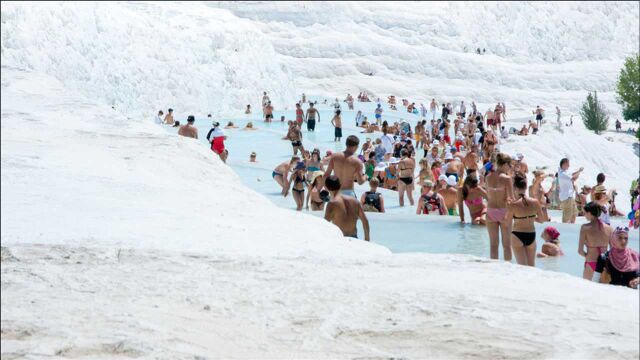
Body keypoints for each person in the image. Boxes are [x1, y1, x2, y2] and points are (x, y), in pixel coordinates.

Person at [508, 173, 545, 266]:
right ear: (525, 187)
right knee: (532, 266)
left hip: (517, 234)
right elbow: (542, 220)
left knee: (521, 267)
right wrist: (531, 218)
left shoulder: (513, 205)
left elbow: (507, 221)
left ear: (515, 187)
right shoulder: (535, 202)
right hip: (531, 235)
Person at [485, 153, 514, 261]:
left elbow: (488, 195)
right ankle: (507, 270)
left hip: (491, 210)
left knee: (493, 245)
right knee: (506, 246)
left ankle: (494, 269)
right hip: (504, 212)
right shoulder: (507, 179)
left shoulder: (488, 177)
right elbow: (511, 198)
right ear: (505, 164)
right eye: (509, 165)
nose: (510, 167)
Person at [324, 175, 370, 241]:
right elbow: (365, 221)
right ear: (340, 185)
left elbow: (325, 224)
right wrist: (367, 239)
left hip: (341, 239)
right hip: (354, 238)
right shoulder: (355, 201)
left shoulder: (332, 204)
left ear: (327, 188)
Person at [578, 202, 613, 280]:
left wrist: (587, 256)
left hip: (591, 262)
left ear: (590, 213)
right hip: (605, 264)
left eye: (585, 213)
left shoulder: (584, 228)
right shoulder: (609, 228)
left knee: (587, 289)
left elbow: (580, 251)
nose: (584, 215)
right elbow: (613, 250)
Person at [558, 158, 584, 223]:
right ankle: (565, 230)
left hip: (569, 197)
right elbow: (573, 178)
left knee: (574, 213)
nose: (569, 166)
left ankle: (570, 228)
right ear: (563, 164)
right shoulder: (562, 174)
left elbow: (572, 175)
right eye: (567, 164)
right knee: (567, 217)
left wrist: (579, 171)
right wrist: (579, 171)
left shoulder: (564, 173)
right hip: (566, 198)